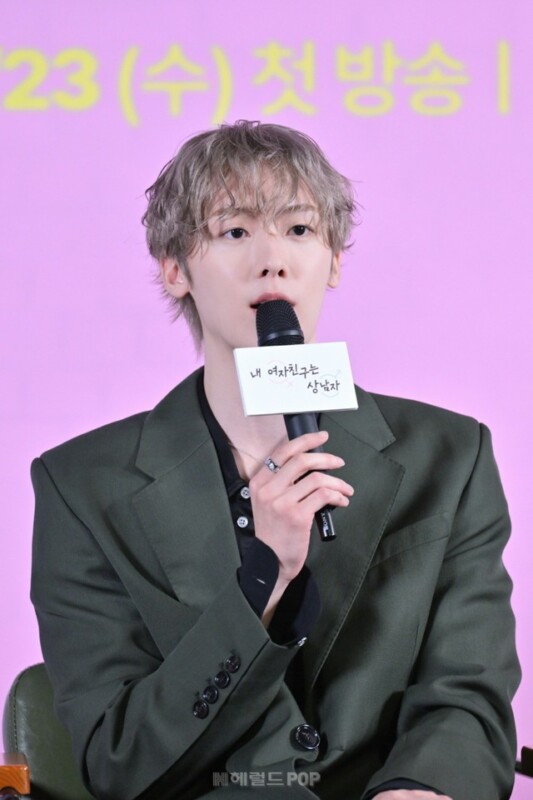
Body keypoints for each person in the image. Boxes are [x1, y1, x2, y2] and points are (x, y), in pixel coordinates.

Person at [31, 121, 520, 800]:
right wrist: (263, 579)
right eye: (235, 231)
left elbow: (467, 688)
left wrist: (420, 784)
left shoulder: (449, 454)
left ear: (334, 260)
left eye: (298, 229)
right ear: (174, 269)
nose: (273, 260)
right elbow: (119, 758)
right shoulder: (82, 486)